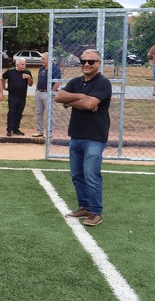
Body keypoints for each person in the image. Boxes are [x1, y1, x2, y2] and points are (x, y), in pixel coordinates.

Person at [55, 49, 112, 227]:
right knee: (77, 175)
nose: (86, 64)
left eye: (91, 61)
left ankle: (96, 212)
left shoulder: (103, 83)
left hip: (94, 137)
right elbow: (58, 96)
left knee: (91, 175)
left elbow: (90, 104)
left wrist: (70, 102)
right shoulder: (76, 82)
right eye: (83, 61)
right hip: (76, 135)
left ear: (99, 63)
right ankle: (84, 207)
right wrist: (80, 96)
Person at [1, 56, 33, 136]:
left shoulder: (27, 72)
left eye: (25, 64)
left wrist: (28, 78)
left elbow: (31, 84)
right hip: (13, 96)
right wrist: (4, 87)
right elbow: (2, 77)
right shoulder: (11, 71)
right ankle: (9, 129)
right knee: (12, 112)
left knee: (19, 112)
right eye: (22, 64)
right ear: (17, 64)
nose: (24, 66)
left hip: (22, 96)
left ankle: (16, 129)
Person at [33, 52, 60, 138]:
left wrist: (51, 91)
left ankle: (49, 132)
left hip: (47, 93)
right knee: (39, 113)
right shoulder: (41, 68)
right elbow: (39, 79)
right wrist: (36, 90)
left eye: (43, 59)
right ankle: (39, 130)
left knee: (49, 113)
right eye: (41, 59)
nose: (41, 60)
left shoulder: (55, 69)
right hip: (39, 93)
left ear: (49, 59)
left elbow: (58, 82)